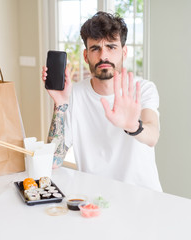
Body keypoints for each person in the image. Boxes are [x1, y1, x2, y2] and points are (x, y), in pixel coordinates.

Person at [42, 11, 162, 192]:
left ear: (124, 52)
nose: (103, 56)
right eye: (95, 48)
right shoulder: (74, 94)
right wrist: (60, 105)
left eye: (112, 47)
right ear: (86, 56)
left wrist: (133, 126)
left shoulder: (143, 89)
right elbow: (53, 160)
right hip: (96, 200)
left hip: (142, 199)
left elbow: (152, 136)